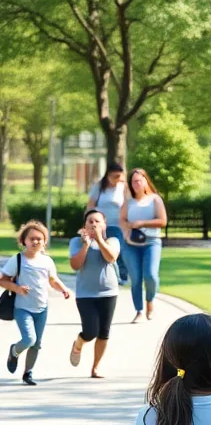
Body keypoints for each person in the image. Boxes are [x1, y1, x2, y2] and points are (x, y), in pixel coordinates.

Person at [1, 221, 71, 386]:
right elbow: (2, 280)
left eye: (40, 239)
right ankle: (14, 350)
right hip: (22, 308)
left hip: (42, 308)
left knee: (37, 343)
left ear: (44, 241)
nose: (36, 242)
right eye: (32, 238)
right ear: (23, 241)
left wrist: (63, 289)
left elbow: (53, 280)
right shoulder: (17, 259)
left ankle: (28, 373)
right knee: (29, 339)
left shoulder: (47, 261)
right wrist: (17, 288)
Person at [69, 209, 121, 378]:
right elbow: (75, 265)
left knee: (104, 332)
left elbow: (111, 257)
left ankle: (96, 367)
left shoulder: (112, 241)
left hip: (109, 292)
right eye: (90, 221)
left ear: (104, 224)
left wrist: (98, 239)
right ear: (84, 225)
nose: (94, 224)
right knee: (90, 331)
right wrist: (86, 244)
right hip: (85, 294)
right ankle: (78, 343)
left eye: (97, 221)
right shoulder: (76, 242)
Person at [120, 168, 167, 322]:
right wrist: (126, 229)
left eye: (140, 180)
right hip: (131, 244)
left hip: (151, 242)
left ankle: (150, 301)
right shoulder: (129, 202)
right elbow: (122, 219)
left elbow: (162, 221)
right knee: (136, 277)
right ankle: (139, 310)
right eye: (134, 181)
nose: (137, 184)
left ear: (146, 181)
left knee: (151, 275)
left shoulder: (155, 199)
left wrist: (142, 223)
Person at [87, 162, 129, 285]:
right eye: (115, 176)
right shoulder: (99, 187)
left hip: (117, 225)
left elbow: (127, 205)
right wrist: (88, 223)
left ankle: (122, 275)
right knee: (100, 250)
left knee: (118, 250)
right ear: (108, 175)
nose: (118, 179)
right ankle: (104, 275)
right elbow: (90, 205)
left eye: (120, 176)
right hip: (101, 226)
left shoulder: (123, 187)